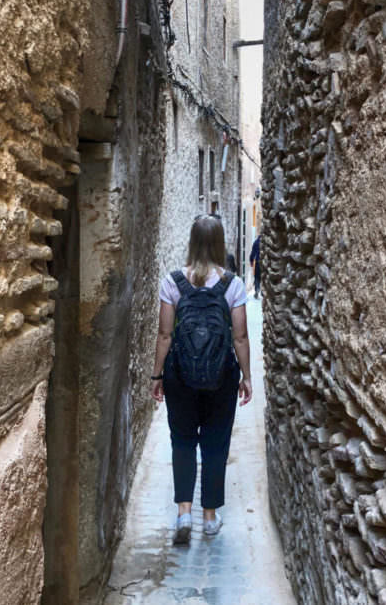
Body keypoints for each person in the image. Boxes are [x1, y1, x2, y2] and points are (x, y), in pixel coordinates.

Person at [150, 215, 253, 545]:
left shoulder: (173, 281)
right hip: (221, 377)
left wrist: (158, 375)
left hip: (181, 376)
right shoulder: (233, 285)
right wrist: (246, 376)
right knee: (215, 443)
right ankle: (209, 518)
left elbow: (165, 334)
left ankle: (183, 512)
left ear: (192, 241)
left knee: (182, 440)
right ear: (220, 243)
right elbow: (240, 337)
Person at [249, 234, 261, 299]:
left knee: (257, 277)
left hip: (258, 262)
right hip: (264, 261)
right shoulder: (264, 241)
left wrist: (251, 261)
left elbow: (253, 253)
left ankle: (257, 290)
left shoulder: (256, 242)